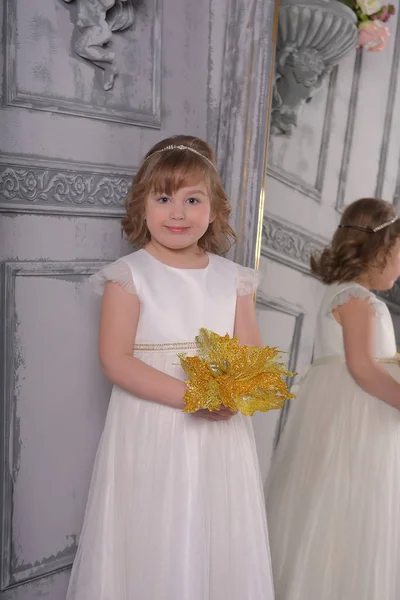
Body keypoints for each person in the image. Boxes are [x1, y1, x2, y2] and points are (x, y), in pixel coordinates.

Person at [66, 135, 275, 600]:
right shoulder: (130, 274)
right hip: (154, 425)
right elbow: (115, 360)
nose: (177, 213)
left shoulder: (233, 279)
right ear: (142, 206)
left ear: (215, 210)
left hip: (219, 432)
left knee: (214, 527)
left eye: (192, 199)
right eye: (164, 199)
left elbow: (251, 356)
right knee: (156, 527)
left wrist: (236, 392)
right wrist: (192, 397)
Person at [266, 198, 400, 600]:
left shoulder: (352, 297)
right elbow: (361, 366)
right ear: (383, 251)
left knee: (342, 517)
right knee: (343, 516)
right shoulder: (356, 300)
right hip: (352, 427)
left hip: (356, 422)